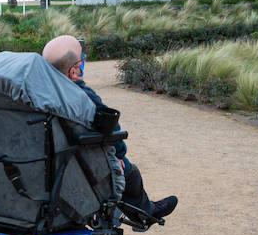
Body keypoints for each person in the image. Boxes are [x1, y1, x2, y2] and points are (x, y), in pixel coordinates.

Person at [42, 34, 178, 221]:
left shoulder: (39, 94)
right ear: (75, 71)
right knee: (131, 172)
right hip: (80, 163)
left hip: (46, 162)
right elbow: (111, 129)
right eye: (82, 60)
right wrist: (119, 155)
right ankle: (146, 212)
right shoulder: (83, 96)